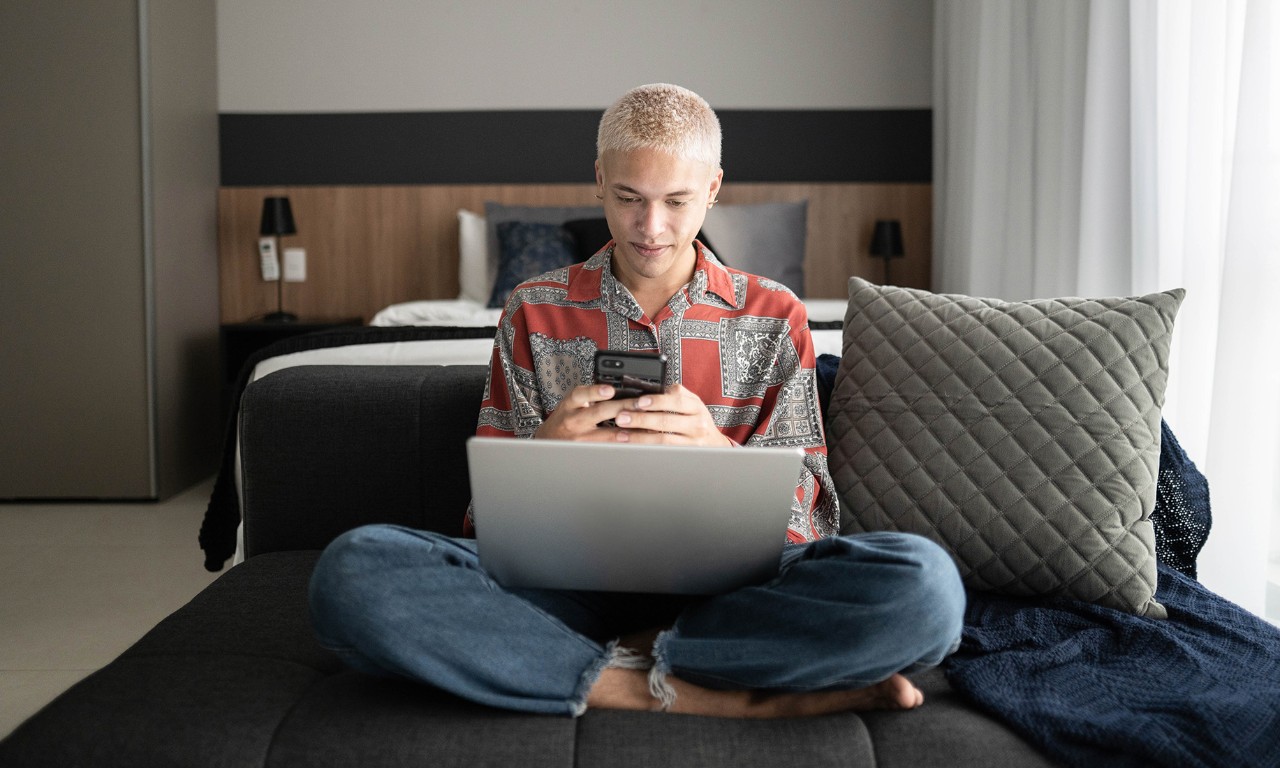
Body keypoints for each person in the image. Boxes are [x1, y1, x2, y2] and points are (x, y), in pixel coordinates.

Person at [309, 83, 965, 718]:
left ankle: (608, 659)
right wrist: (546, 454)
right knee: (350, 573)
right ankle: (690, 692)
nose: (651, 228)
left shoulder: (774, 314)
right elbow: (488, 525)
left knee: (927, 590)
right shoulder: (535, 308)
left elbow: (813, 516)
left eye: (677, 201)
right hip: (564, 589)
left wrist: (716, 453)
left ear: (712, 190)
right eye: (628, 198)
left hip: (735, 597)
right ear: (599, 180)